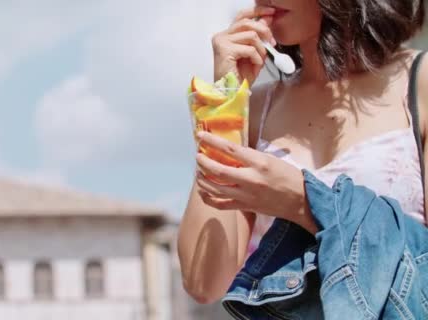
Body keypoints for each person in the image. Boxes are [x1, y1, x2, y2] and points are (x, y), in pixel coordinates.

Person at [177, 0, 427, 307]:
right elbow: (204, 281)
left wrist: (304, 203)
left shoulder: (418, 83)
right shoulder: (255, 109)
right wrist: (226, 98)